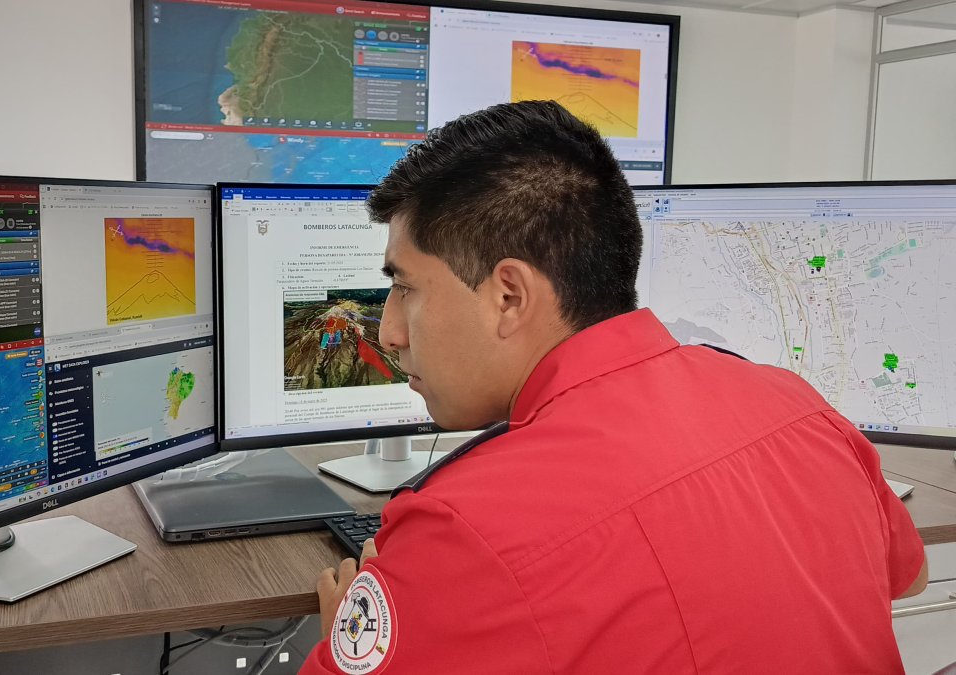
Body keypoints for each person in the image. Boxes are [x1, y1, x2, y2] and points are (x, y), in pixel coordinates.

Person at [300, 100, 927, 674]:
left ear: (508, 297)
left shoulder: (464, 524)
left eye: (405, 286)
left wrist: (351, 643)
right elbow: (911, 576)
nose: (389, 331)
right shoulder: (796, 406)